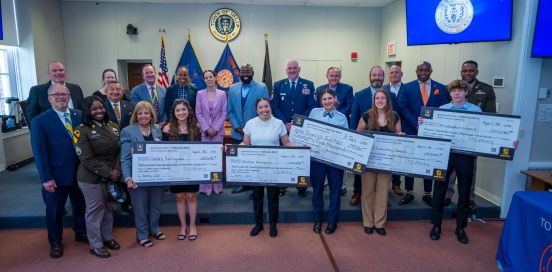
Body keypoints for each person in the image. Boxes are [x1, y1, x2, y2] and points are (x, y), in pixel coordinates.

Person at [30, 83, 87, 258]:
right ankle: (55, 242)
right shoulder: (40, 121)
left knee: (81, 206)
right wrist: (46, 178)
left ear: (69, 97)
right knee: (54, 211)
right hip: (55, 176)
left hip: (79, 173)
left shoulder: (79, 116)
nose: (61, 97)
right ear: (49, 99)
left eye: (64, 94)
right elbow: (39, 152)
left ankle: (81, 232)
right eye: (57, 95)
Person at [424, 80, 481, 244]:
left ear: (466, 92)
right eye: (454, 90)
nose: (457, 93)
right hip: (445, 155)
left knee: (464, 192)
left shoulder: (476, 111)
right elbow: (433, 132)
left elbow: (484, 133)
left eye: (460, 90)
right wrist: (424, 124)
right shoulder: (442, 110)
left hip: (465, 157)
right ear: (450, 93)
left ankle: (460, 227)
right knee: (439, 191)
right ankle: (436, 225)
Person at [443, 60, 497, 210]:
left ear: (476, 72)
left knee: (470, 170)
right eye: (464, 71)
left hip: (471, 140)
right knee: (450, 169)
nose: (467, 73)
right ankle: (447, 195)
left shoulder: (486, 90)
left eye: (471, 71)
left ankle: (469, 198)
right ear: (461, 71)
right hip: (452, 137)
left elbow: (490, 116)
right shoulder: (452, 87)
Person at [74, 95, 121, 258]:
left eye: (101, 107)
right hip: (90, 178)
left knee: (108, 208)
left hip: (111, 176)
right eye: (94, 108)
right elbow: (86, 158)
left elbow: (118, 152)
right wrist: (109, 172)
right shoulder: (81, 130)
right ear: (88, 111)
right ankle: (95, 244)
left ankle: (107, 237)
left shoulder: (113, 126)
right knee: (95, 210)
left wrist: (116, 170)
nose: (99, 111)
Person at [398, 61, 449, 207]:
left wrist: (431, 126)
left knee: (429, 160)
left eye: (427, 70)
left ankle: (427, 193)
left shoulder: (441, 88)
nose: (424, 72)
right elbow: (402, 107)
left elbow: (443, 108)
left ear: (431, 71)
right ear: (416, 71)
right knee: (410, 161)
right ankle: (409, 191)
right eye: (421, 70)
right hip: (410, 129)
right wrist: (416, 124)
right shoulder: (407, 87)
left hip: (432, 133)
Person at [242, 97, 295, 237]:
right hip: (256, 167)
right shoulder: (250, 124)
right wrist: (231, 149)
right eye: (261, 107)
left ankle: (273, 225)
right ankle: (258, 225)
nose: (264, 109)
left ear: (270, 107)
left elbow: (287, 143)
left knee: (273, 197)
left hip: (273, 167)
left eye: (266, 106)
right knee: (257, 197)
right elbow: (245, 143)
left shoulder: (278, 123)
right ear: (256, 109)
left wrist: (302, 147)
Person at [348, 66, 398, 206]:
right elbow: (354, 117)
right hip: (364, 140)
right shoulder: (359, 94)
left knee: (383, 170)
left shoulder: (391, 96)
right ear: (369, 77)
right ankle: (357, 192)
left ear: (384, 77)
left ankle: (383, 196)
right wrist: (354, 139)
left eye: (380, 75)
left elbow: (396, 117)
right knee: (360, 168)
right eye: (374, 75)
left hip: (385, 142)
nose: (377, 77)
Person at [120, 101, 165, 247]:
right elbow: (125, 158)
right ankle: (143, 234)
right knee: (140, 207)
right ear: (136, 116)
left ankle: (154, 229)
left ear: (151, 115)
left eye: (146, 113)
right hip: (136, 176)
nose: (143, 116)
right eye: (140, 113)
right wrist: (128, 177)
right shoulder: (127, 131)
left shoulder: (157, 129)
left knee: (156, 205)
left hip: (156, 175)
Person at [357, 89, 402, 236]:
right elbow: (358, 134)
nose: (380, 100)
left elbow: (398, 136)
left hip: (386, 162)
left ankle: (379, 223)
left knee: (383, 192)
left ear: (387, 100)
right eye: (377, 98)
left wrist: (401, 136)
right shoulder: (367, 115)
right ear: (374, 100)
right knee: (368, 191)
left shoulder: (394, 116)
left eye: (383, 98)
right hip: (369, 161)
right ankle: (368, 222)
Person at [270, 58, 316, 197]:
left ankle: (301, 186)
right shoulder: (278, 85)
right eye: (289, 68)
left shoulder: (308, 85)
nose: (292, 70)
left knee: (300, 157)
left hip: (301, 128)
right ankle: (282, 184)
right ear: (286, 70)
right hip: (283, 127)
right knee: (283, 156)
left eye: (294, 68)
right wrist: (284, 123)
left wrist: (297, 122)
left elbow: (312, 106)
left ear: (299, 69)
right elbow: (274, 106)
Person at [309, 89, 348, 235]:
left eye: (330, 98)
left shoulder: (342, 117)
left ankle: (332, 221)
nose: (327, 101)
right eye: (324, 99)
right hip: (317, 158)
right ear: (321, 101)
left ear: (335, 99)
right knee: (317, 189)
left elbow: (346, 139)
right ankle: (318, 219)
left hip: (335, 160)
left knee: (335, 190)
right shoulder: (314, 113)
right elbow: (308, 132)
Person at [227, 64, 269, 195]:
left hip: (256, 132)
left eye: (248, 71)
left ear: (253, 72)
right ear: (239, 73)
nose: (245, 73)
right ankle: (245, 184)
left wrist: (250, 128)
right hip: (238, 131)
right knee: (242, 161)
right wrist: (236, 126)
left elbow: (264, 109)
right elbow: (230, 111)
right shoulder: (232, 88)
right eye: (243, 71)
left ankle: (256, 189)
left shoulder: (262, 87)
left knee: (256, 162)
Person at [163, 99, 202, 241]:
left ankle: (192, 226)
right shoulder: (167, 129)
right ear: (173, 112)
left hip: (192, 168)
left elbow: (202, 150)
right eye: (178, 110)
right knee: (179, 197)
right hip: (175, 169)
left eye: (183, 109)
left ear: (188, 111)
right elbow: (163, 151)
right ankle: (183, 226)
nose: (181, 112)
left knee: (191, 196)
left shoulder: (196, 128)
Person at [315, 67, 354, 196]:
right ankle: (325, 182)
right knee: (323, 156)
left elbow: (349, 106)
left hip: (339, 125)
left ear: (340, 76)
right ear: (327, 76)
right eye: (331, 75)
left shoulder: (347, 88)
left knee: (338, 157)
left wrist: (335, 116)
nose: (333, 77)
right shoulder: (320, 89)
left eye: (336, 75)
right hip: (322, 129)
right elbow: (318, 108)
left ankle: (341, 185)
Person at [103, 80, 134, 213]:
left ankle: (126, 202)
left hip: (127, 146)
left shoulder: (130, 106)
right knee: (111, 174)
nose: (115, 92)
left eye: (118, 89)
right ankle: (110, 201)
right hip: (109, 148)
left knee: (126, 173)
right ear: (106, 92)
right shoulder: (101, 107)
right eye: (112, 89)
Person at [196, 70, 227, 195]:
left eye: (211, 77)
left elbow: (224, 113)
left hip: (218, 132)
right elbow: (198, 113)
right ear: (204, 80)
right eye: (206, 77)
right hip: (205, 132)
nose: (209, 79)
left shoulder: (222, 94)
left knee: (216, 159)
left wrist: (215, 128)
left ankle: (217, 187)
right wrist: (206, 128)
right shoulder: (199, 94)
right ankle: (206, 187)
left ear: (215, 78)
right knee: (206, 159)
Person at [27, 60, 85, 126]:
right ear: (48, 73)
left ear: (65, 72)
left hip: (78, 130)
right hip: (51, 132)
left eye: (61, 70)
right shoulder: (37, 91)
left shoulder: (76, 88)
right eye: (54, 71)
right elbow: (32, 118)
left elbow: (83, 111)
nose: (58, 73)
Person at [382, 65, 405, 196]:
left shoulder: (407, 88)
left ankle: (396, 184)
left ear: (401, 74)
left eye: (397, 72)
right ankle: (384, 189)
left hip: (397, 127)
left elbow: (399, 110)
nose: (394, 74)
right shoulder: (383, 89)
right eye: (391, 72)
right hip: (383, 127)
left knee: (395, 158)